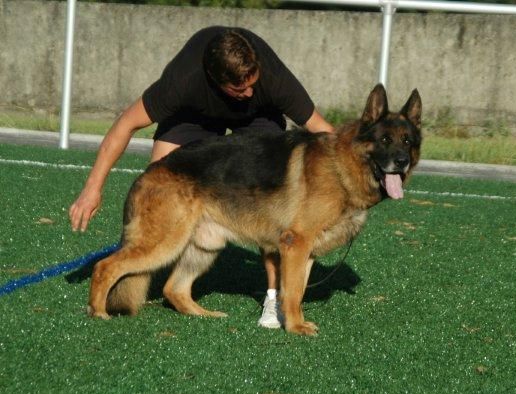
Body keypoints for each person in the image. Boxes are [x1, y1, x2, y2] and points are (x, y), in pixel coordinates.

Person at [69, 26, 334, 329]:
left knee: (272, 207)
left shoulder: (272, 79)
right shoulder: (182, 81)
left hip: (258, 119)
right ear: (216, 79)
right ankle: (135, 273)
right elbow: (125, 126)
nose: (248, 93)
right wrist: (92, 189)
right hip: (193, 115)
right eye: (239, 90)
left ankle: (273, 299)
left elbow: (323, 130)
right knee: (160, 185)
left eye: (252, 85)